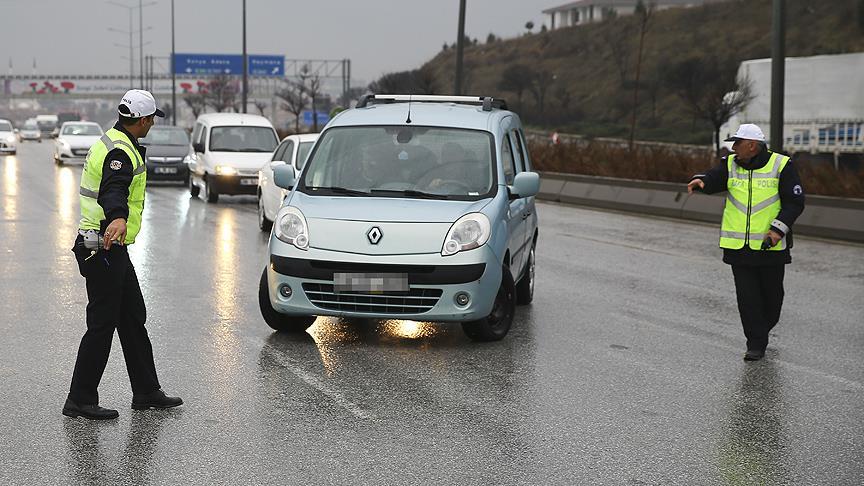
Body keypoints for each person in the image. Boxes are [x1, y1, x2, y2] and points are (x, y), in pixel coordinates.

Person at [63, 90, 182, 420]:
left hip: (111, 247)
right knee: (102, 324)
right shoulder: (120, 151)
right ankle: (80, 398)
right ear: (143, 120)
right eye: (151, 121)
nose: (151, 126)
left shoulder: (114, 140)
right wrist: (117, 216)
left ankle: (146, 391)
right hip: (101, 246)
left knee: (132, 318)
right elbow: (113, 187)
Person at [687, 124, 805, 361]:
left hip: (769, 245)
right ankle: (756, 343)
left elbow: (795, 202)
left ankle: (762, 328)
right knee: (747, 298)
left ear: (752, 145)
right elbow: (714, 178)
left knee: (773, 298)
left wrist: (777, 230)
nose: (734, 148)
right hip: (738, 248)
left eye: (738, 143)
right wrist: (702, 182)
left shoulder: (781, 165)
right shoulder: (730, 164)